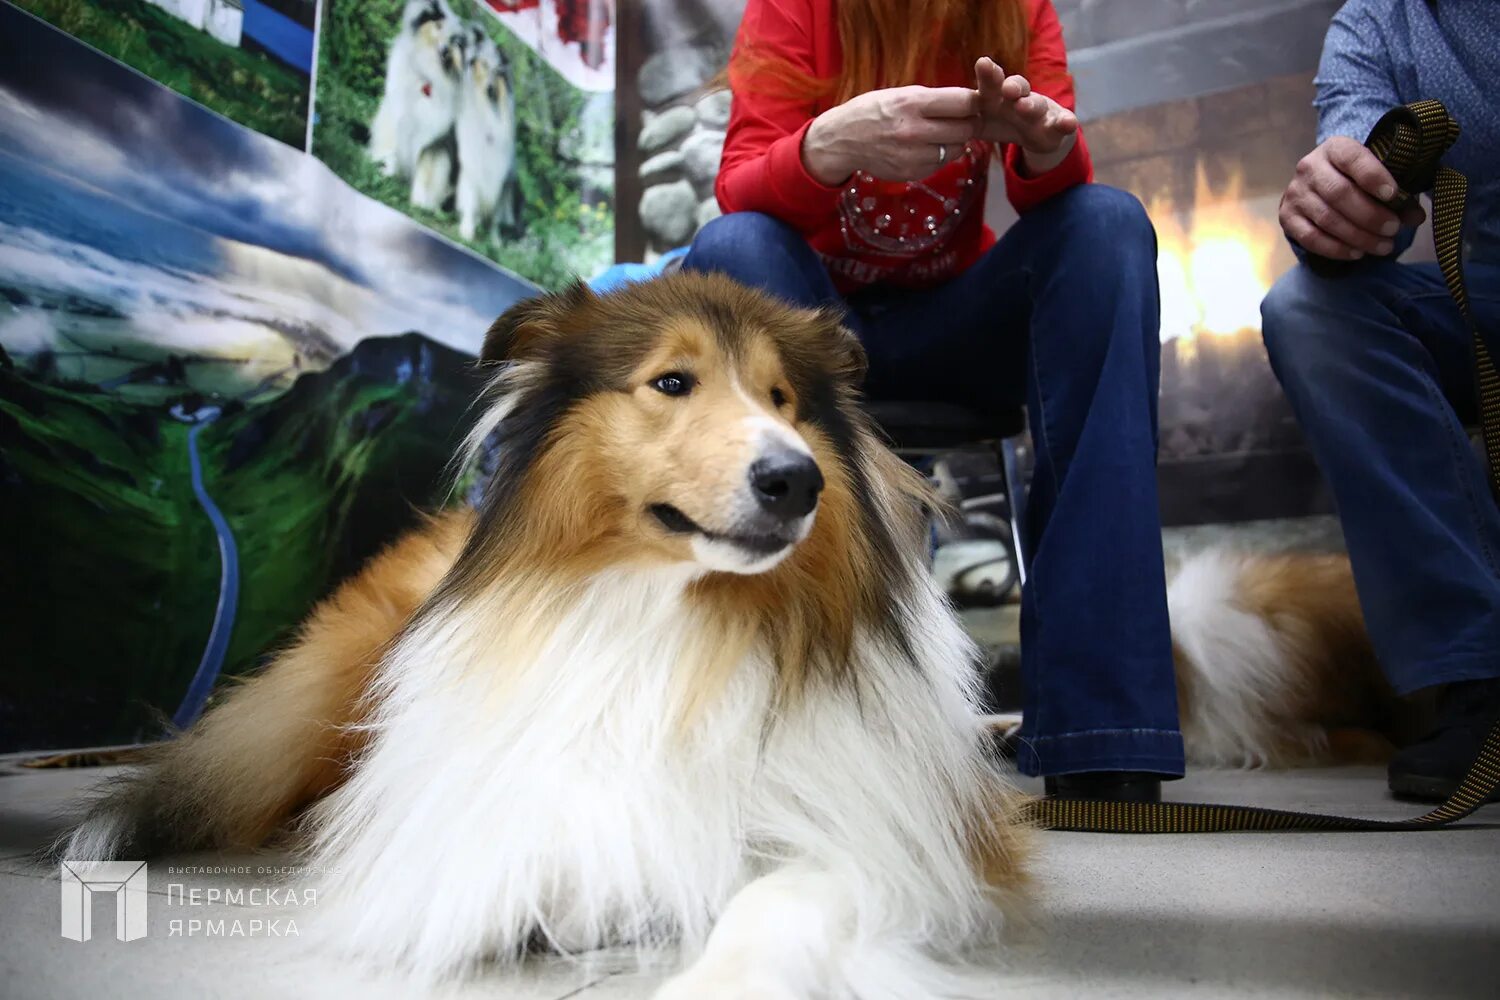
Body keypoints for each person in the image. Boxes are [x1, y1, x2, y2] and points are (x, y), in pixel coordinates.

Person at [682, 0, 1181, 801]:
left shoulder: (1021, 10)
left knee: (1105, 225)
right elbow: (740, 186)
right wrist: (826, 147)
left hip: (958, 333)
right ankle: (788, 719)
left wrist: (1047, 147)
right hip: (815, 339)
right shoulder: (792, 8)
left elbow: (1055, 185)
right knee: (731, 249)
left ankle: (1102, 735)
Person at [1260, 0, 1500, 800]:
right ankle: (1480, 679)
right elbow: (1361, 153)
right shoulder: (1377, 24)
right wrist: (1337, 203)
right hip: (1484, 303)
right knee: (1310, 308)